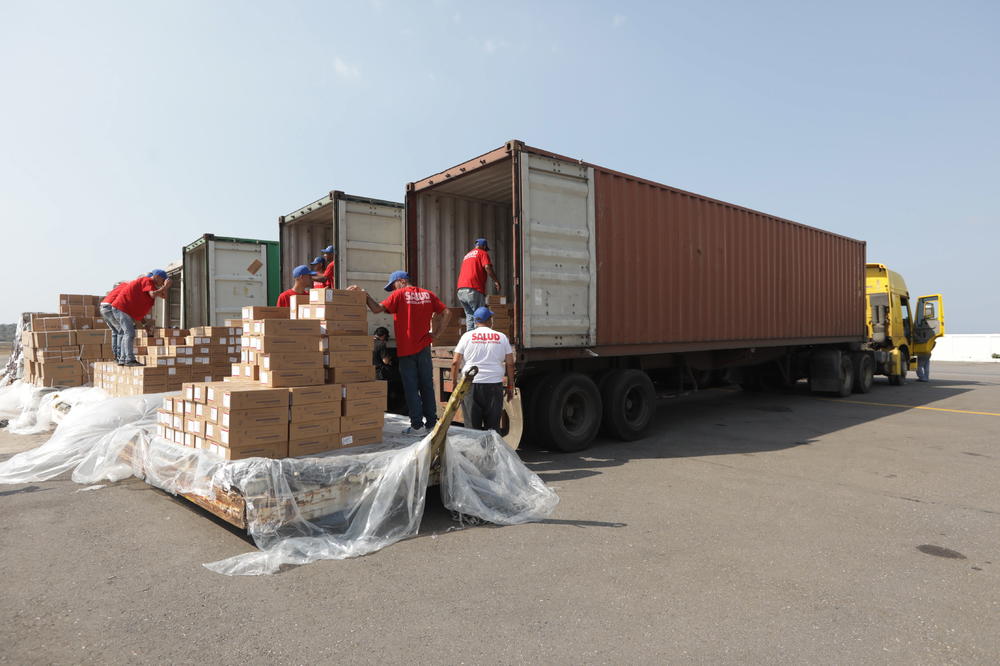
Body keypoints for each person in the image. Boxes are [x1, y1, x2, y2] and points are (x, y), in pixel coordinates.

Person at [349, 270, 451, 434]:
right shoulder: (428, 294)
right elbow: (447, 312)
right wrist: (437, 333)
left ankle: (417, 426)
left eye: (393, 286)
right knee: (427, 386)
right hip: (424, 347)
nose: (393, 290)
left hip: (406, 349)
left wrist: (364, 294)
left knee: (411, 387)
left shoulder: (399, 295)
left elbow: (376, 309)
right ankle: (432, 424)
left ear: (401, 281)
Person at [450, 306, 515, 432]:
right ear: (490, 320)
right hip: (494, 386)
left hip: (470, 386)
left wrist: (454, 384)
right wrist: (510, 386)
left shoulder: (466, 337)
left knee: (472, 429)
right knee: (493, 428)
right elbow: (510, 364)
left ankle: (475, 452)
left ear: (475, 321)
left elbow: (455, 362)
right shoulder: (501, 337)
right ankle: (491, 451)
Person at [108, 270, 171, 366]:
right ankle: (129, 360)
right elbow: (153, 294)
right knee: (129, 333)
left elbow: (164, 296)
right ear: (157, 276)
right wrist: (165, 286)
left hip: (124, 310)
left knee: (127, 333)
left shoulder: (152, 286)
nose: (162, 282)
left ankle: (123, 359)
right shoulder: (147, 280)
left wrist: (165, 287)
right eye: (162, 279)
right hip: (121, 308)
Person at [456, 238, 502, 333]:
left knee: (470, 315)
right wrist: (496, 281)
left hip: (461, 290)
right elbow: (487, 267)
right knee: (479, 316)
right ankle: (478, 342)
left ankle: (470, 339)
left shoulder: (467, 255)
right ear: (484, 246)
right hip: (473, 289)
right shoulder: (482, 253)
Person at [99, 280, 130, 363]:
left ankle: (116, 356)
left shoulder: (113, 292)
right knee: (122, 331)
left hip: (103, 308)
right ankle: (120, 357)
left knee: (115, 332)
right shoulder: (128, 287)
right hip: (110, 308)